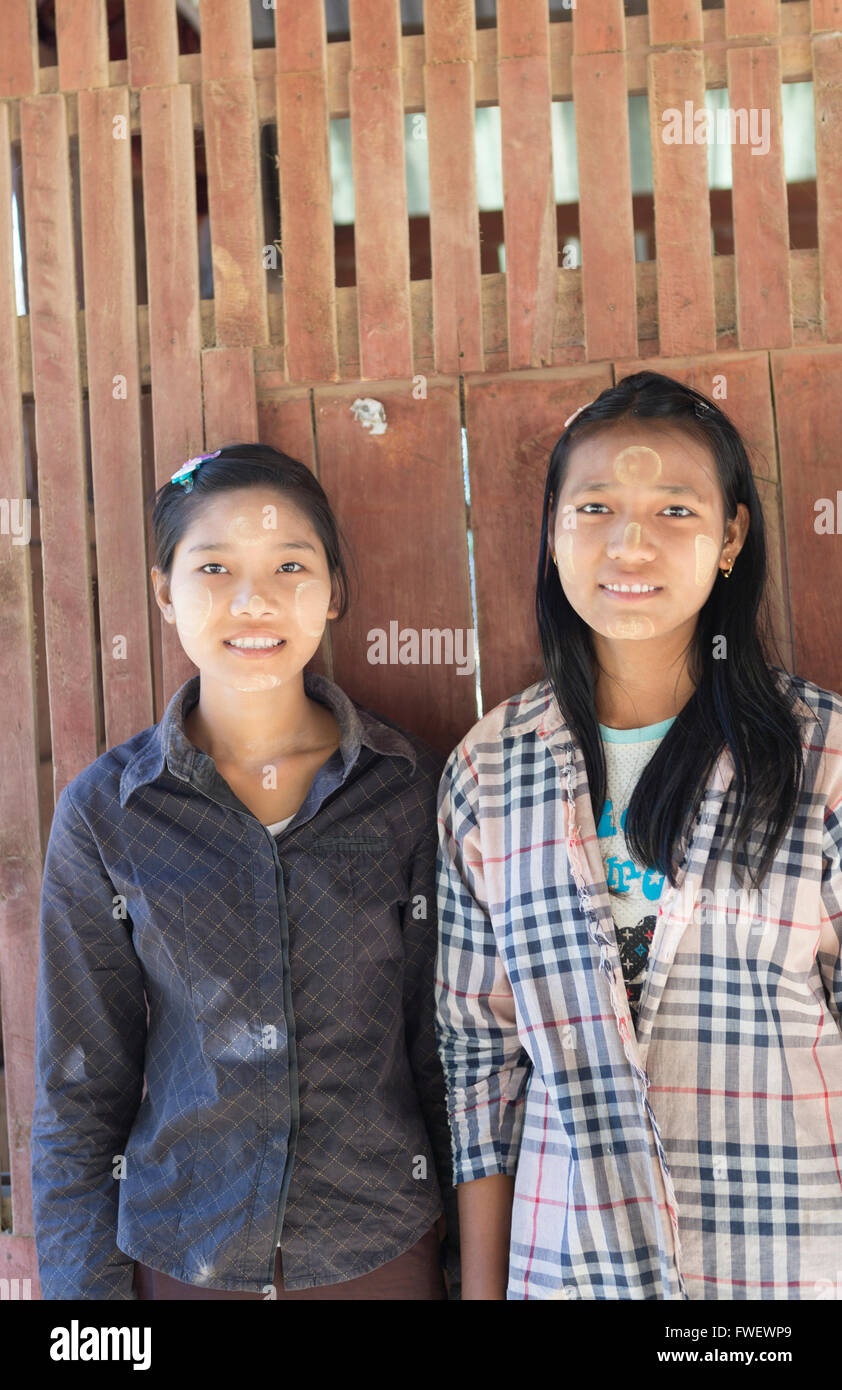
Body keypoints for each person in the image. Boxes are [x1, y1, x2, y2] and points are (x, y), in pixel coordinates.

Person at [435, 371, 842, 1300]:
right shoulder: (492, 770)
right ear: (552, 530)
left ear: (731, 536)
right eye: (597, 507)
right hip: (567, 1266)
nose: (631, 541)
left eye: (674, 509)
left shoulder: (824, 754)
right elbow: (479, 1064)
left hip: (780, 1271)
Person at [31, 443, 458, 1300]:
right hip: (181, 1255)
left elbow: (447, 1055)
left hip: (378, 1254)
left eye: (288, 565)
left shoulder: (409, 792)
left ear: (334, 589)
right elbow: (80, 1088)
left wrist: (466, 1271)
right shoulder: (108, 813)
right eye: (214, 567)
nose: (252, 599)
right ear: (164, 592)